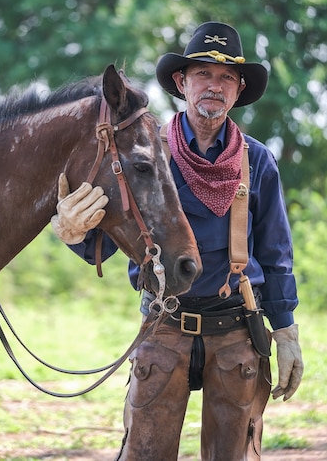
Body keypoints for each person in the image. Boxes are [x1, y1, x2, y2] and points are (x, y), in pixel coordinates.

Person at [51, 22, 304, 461]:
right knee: (145, 455)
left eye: (226, 77)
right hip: (164, 327)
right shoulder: (148, 152)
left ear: (238, 89)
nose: (214, 86)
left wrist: (285, 331)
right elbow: (104, 244)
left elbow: (276, 254)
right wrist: (73, 233)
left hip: (236, 330)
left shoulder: (257, 160)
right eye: (203, 74)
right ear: (181, 83)